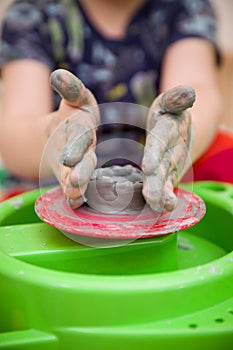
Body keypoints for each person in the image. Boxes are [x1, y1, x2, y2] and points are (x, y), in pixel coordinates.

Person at [0, 0, 224, 211]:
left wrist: (184, 130)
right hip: (55, 184)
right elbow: (16, 129)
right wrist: (53, 135)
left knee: (224, 152)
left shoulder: (184, 7)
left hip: (153, 183)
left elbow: (197, 88)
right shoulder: (34, 13)